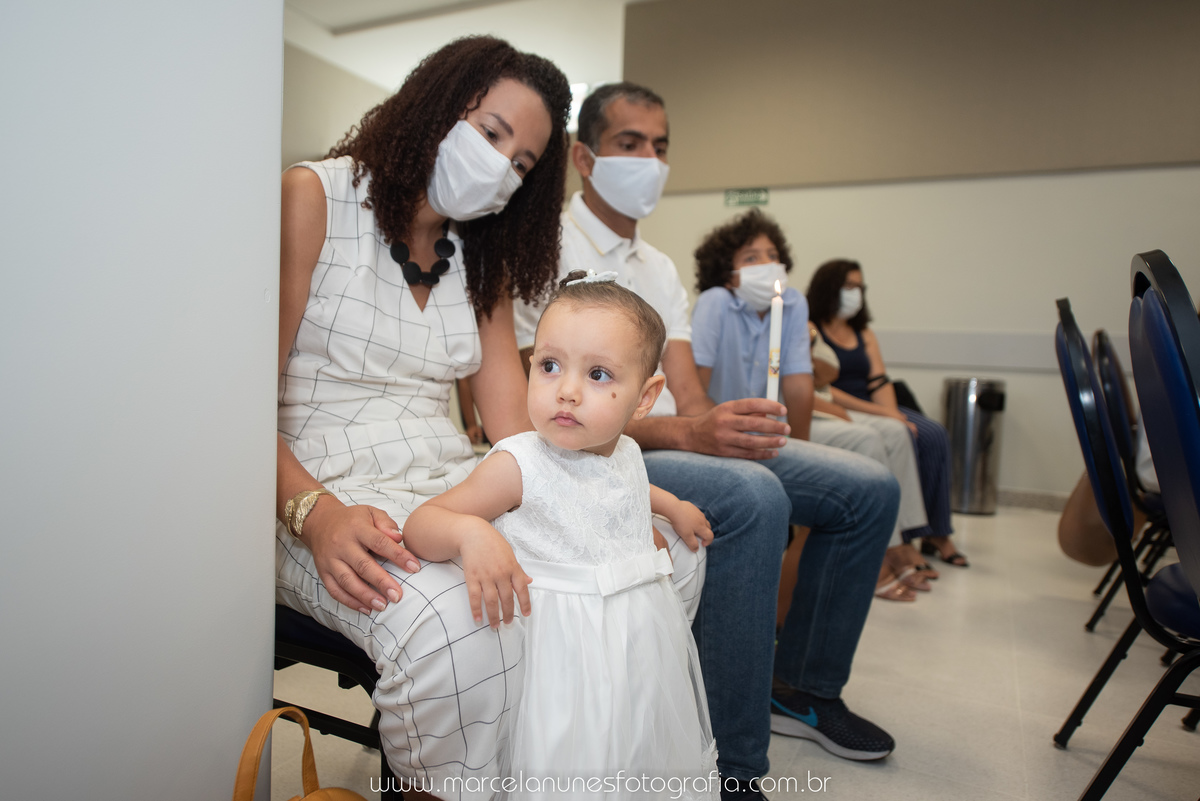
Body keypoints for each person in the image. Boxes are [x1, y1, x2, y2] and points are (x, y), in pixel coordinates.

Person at [512, 83, 900, 799]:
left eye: (661, 147)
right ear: (584, 157)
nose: (651, 161)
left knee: (868, 487)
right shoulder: (538, 249)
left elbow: (688, 396)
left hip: (664, 432)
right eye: (631, 144)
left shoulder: (658, 270)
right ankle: (734, 766)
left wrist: (725, 426)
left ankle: (804, 688)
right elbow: (541, 408)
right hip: (594, 450)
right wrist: (691, 431)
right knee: (754, 497)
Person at [274, 36, 572, 798]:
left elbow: (512, 432)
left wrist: (612, 492)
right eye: (493, 132)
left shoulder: (480, 257)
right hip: (306, 490)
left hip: (441, 481)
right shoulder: (313, 195)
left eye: (522, 164)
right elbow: (230, 408)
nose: (501, 165)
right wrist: (314, 514)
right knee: (461, 624)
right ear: (437, 104)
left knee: (587, 575)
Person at [406, 271, 719, 799]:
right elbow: (421, 524)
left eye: (598, 374)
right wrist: (468, 534)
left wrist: (672, 504)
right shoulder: (518, 462)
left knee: (632, 752)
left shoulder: (626, 451)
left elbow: (624, 485)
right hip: (559, 658)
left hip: (633, 646)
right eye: (550, 366)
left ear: (645, 398)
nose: (567, 391)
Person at [689, 210, 934, 602]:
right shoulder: (716, 302)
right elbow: (694, 388)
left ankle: (887, 550)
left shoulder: (791, 303)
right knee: (866, 447)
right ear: (727, 271)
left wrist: (795, 451)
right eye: (751, 257)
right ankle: (871, 568)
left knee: (878, 441)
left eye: (772, 254)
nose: (766, 264)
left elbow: (800, 387)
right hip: (725, 432)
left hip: (777, 426)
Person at [807, 259, 968, 568]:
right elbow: (822, 387)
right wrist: (884, 416)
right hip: (843, 403)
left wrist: (893, 414)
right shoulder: (811, 328)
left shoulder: (862, 331)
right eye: (849, 286)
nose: (856, 293)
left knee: (931, 434)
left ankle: (933, 532)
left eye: (860, 287)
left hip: (873, 402)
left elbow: (879, 380)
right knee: (894, 431)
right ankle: (898, 541)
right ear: (830, 288)